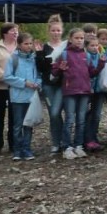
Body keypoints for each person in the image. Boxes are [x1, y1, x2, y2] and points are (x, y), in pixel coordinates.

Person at [53, 28, 106, 159]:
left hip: (84, 91)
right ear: (70, 39)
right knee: (70, 119)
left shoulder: (86, 55)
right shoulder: (64, 54)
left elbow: (92, 73)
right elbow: (54, 72)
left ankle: (78, 145)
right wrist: (60, 69)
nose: (79, 40)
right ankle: (67, 147)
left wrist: (101, 63)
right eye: (76, 38)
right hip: (70, 91)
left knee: (81, 120)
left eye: (81, 38)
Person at [3, 32, 41, 161]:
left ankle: (27, 148)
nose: (29, 46)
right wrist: (24, 83)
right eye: (26, 43)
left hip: (31, 97)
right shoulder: (13, 58)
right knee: (18, 124)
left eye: (30, 43)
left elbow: (39, 75)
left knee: (28, 124)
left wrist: (38, 83)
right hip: (17, 97)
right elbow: (7, 77)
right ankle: (17, 150)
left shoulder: (34, 58)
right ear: (19, 44)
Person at [35, 14, 66, 154]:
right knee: (54, 114)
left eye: (58, 30)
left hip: (63, 84)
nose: (56, 33)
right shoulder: (44, 47)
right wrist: (40, 55)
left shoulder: (66, 46)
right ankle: (56, 141)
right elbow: (41, 68)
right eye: (53, 30)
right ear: (49, 31)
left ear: (62, 31)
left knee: (56, 112)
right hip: (48, 84)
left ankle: (64, 140)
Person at [0, 22, 19, 156]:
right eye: (12, 31)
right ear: (5, 33)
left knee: (15, 117)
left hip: (17, 88)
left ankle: (13, 143)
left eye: (17, 31)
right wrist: (8, 77)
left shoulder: (21, 46)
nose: (15, 33)